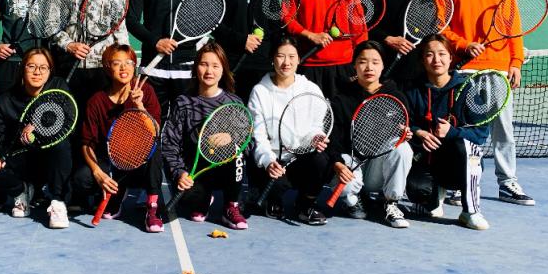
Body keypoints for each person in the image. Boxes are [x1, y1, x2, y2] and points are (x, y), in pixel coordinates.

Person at [437, 0, 533, 206]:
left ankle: (507, 182)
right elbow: (442, 27)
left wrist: (516, 61)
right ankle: (460, 182)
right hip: (464, 69)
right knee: (464, 131)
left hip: (498, 69)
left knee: (503, 130)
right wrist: (463, 45)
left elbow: (512, 25)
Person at [402, 35, 490, 230]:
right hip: (427, 160)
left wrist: (452, 132)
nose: (436, 60)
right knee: (418, 192)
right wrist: (418, 133)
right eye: (429, 55)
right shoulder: (412, 90)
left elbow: (481, 134)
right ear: (422, 60)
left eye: (442, 54)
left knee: (467, 146)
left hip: (458, 163)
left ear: (451, 58)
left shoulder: (468, 89)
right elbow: (405, 122)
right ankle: (433, 198)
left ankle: (471, 211)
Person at [0, 47, 73, 229]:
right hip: (20, 161)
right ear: (22, 69)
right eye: (31, 66)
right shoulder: (6, 99)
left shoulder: (59, 87)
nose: (37, 72)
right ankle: (20, 191)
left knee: (62, 145)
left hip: (48, 161)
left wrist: (39, 129)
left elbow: (68, 123)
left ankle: (57, 201)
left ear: (50, 71)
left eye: (43, 67)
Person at [75, 44, 165, 232]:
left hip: (139, 162)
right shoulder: (96, 101)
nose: (124, 68)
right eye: (117, 63)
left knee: (155, 147)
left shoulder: (146, 91)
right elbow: (86, 143)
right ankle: (118, 191)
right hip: (111, 162)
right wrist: (97, 172)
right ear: (108, 67)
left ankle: (152, 208)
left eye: (129, 62)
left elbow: (155, 131)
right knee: (82, 179)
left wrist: (140, 107)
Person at [160, 42, 249, 229]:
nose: (209, 71)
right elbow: (169, 144)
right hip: (195, 170)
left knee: (238, 151)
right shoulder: (183, 103)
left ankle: (231, 205)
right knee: (191, 202)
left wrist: (231, 138)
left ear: (223, 70)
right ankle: (203, 198)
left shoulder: (234, 103)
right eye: (204, 64)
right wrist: (180, 172)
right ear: (196, 68)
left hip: (224, 170)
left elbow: (248, 142)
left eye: (215, 66)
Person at [247, 37, 334, 225]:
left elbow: (316, 126)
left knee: (322, 161)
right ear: (272, 59)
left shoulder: (310, 89)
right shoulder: (259, 92)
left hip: (301, 157)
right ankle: (272, 197)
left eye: (292, 56)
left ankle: (305, 204)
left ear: (299, 59)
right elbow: (258, 136)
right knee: (270, 180)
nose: (286, 62)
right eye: (280, 56)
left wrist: (316, 137)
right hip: (273, 159)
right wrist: (268, 161)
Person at [328, 41, 413, 229]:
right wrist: (337, 163)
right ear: (354, 65)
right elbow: (332, 140)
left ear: (383, 65)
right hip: (352, 164)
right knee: (346, 182)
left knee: (403, 148)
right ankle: (353, 200)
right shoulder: (341, 99)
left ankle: (391, 202)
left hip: (377, 169)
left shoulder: (396, 97)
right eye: (362, 62)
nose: (369, 67)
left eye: (375, 62)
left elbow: (404, 131)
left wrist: (404, 134)